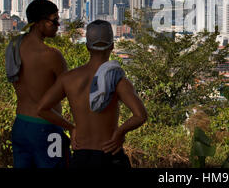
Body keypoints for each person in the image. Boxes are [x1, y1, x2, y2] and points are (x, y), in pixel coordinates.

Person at [38, 20, 147, 168]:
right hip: (109, 153)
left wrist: (71, 128)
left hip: (81, 156)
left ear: (87, 47)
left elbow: (42, 109)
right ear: (113, 46)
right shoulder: (118, 81)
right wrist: (120, 132)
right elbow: (140, 115)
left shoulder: (68, 79)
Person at [6, 0, 70, 168]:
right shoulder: (52, 55)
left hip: (20, 125)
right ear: (41, 23)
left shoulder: (13, 46)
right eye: (54, 20)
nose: (58, 24)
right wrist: (73, 127)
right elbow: (71, 90)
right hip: (47, 129)